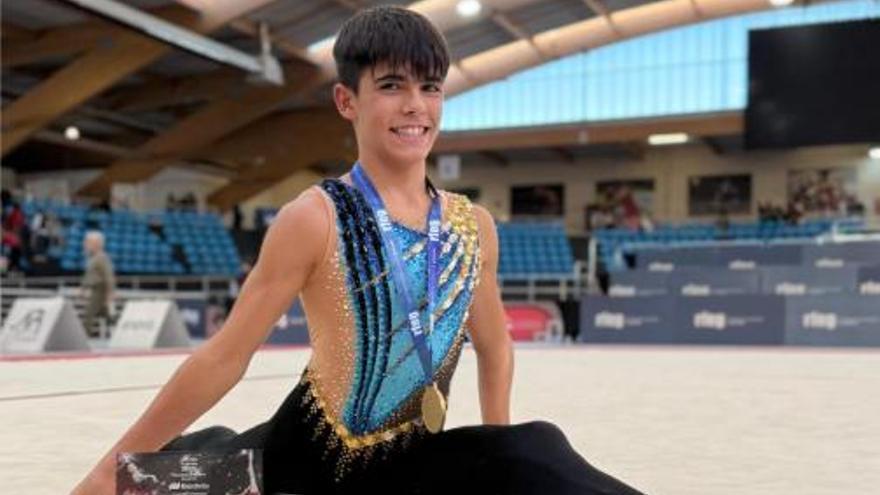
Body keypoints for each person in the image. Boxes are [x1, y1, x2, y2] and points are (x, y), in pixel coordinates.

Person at [72, 7, 645, 495]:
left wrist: (500, 443)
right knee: (146, 483)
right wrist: (107, 470)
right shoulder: (314, 218)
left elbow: (495, 348)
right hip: (302, 464)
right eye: (392, 86)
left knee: (536, 451)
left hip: (411, 463)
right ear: (346, 100)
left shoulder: (473, 227)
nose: (415, 105)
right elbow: (224, 357)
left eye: (430, 87)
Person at [80, 230, 116, 338]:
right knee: (105, 314)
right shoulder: (92, 258)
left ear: (96, 243)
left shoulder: (102, 258)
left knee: (89, 314)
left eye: (88, 242)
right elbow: (88, 276)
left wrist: (110, 293)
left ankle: (83, 337)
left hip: (100, 290)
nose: (85, 244)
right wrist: (83, 288)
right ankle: (118, 328)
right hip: (94, 289)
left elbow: (108, 276)